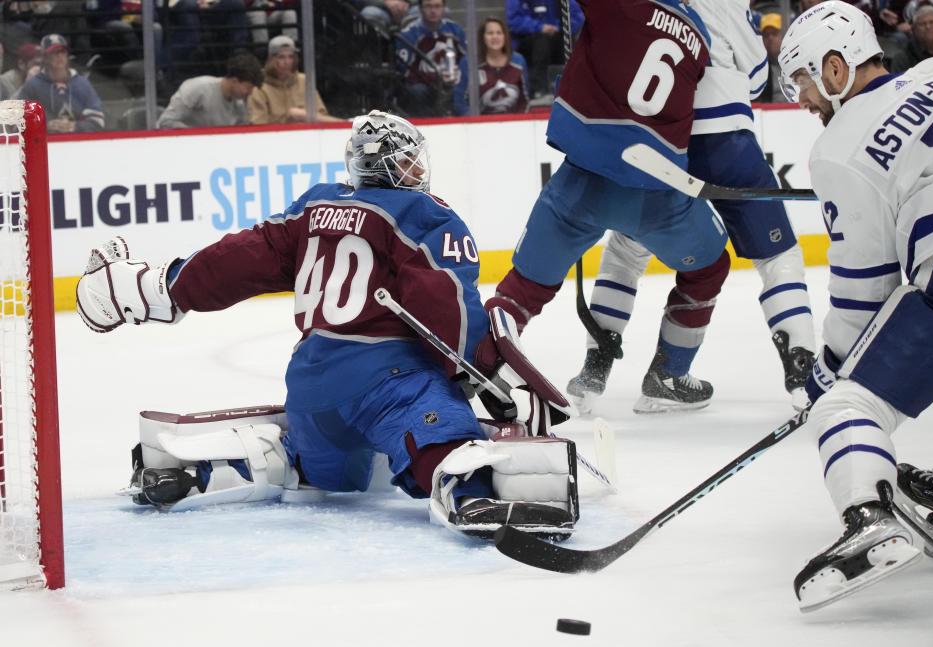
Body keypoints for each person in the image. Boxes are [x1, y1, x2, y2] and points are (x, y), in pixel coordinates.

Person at [73, 110, 580, 538]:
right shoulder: (425, 214)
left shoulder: (314, 205)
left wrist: (173, 286)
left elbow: (242, 259)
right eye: (405, 159)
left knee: (325, 474)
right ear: (385, 165)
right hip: (387, 382)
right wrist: (485, 369)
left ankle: (213, 468)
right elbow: (448, 304)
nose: (414, 168)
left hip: (311, 387)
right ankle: (466, 495)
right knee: (439, 429)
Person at [778, 1, 933, 611]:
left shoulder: (839, 144)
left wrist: (826, 371)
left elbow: (865, 292)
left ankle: (869, 516)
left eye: (802, 81)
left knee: (847, 401)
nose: (801, 100)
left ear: (835, 70)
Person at [565, 0, 815, 414]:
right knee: (777, 255)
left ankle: (593, 372)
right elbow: (755, 78)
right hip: (723, 139)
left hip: (658, 143)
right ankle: (802, 373)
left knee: (626, 252)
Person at [478, 1, 731, 401]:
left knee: (521, 289)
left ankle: (476, 371)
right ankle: (669, 375)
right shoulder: (699, 32)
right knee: (709, 269)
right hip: (659, 190)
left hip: (585, 181)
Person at [15, 33, 105, 133]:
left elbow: (98, 120)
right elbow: (19, 121)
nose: (59, 56)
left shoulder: (82, 83)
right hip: (46, 144)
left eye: (62, 51)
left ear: (67, 55)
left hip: (79, 144)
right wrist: (45, 126)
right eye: (54, 52)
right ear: (45, 57)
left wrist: (75, 127)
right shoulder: (33, 85)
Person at [248, 35, 343, 124]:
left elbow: (321, 112)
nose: (287, 62)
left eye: (291, 57)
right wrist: (286, 119)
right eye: (281, 57)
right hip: (275, 137)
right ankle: (346, 125)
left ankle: (345, 126)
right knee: (294, 113)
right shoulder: (259, 85)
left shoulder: (304, 80)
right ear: (271, 59)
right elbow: (257, 123)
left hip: (308, 133)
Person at [395, 0, 466, 117]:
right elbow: (405, 72)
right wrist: (435, 78)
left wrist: (457, 74)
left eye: (437, 6)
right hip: (423, 84)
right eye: (428, 6)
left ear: (444, 8)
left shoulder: (455, 30)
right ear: (420, 8)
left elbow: (466, 62)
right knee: (416, 91)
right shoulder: (408, 34)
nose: (433, 11)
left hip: (452, 81)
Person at [157, 51, 263, 129]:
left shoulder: (239, 104)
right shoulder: (197, 88)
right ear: (235, 81)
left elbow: (242, 130)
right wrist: (197, 136)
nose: (250, 92)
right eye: (248, 87)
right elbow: (166, 121)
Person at [505, 0, 584, 99]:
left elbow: (576, 17)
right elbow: (514, 19)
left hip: (557, 35)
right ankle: (540, 90)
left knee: (571, 43)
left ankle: (574, 88)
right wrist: (540, 27)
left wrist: (557, 27)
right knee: (541, 42)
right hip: (527, 40)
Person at [453, 15, 529, 116]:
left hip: (513, 124)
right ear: (482, 37)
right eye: (490, 33)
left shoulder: (518, 61)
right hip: (479, 126)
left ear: (505, 36)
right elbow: (460, 102)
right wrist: (475, 123)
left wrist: (519, 122)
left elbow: (524, 100)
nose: (495, 37)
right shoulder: (469, 62)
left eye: (499, 33)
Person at [889, 4, 933, 72]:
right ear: (914, 29)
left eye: (932, 22)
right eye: (922, 24)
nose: (928, 27)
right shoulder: (902, 57)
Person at [758, 12, 789, 102]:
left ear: (784, 35)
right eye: (766, 35)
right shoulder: (759, 67)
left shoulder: (797, 60)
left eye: (774, 33)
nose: (770, 38)